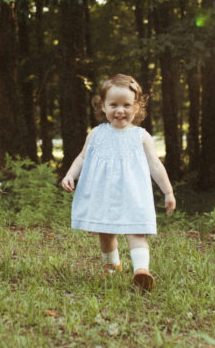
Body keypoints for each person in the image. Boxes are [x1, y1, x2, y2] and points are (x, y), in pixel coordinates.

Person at [61, 74, 176, 291]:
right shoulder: (96, 134)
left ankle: (141, 271)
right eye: (113, 105)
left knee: (136, 232)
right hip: (104, 194)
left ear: (136, 108)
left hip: (133, 195)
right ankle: (112, 265)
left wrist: (168, 192)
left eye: (126, 105)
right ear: (103, 106)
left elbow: (156, 166)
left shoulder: (141, 136)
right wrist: (70, 174)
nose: (120, 110)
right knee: (106, 233)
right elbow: (82, 158)